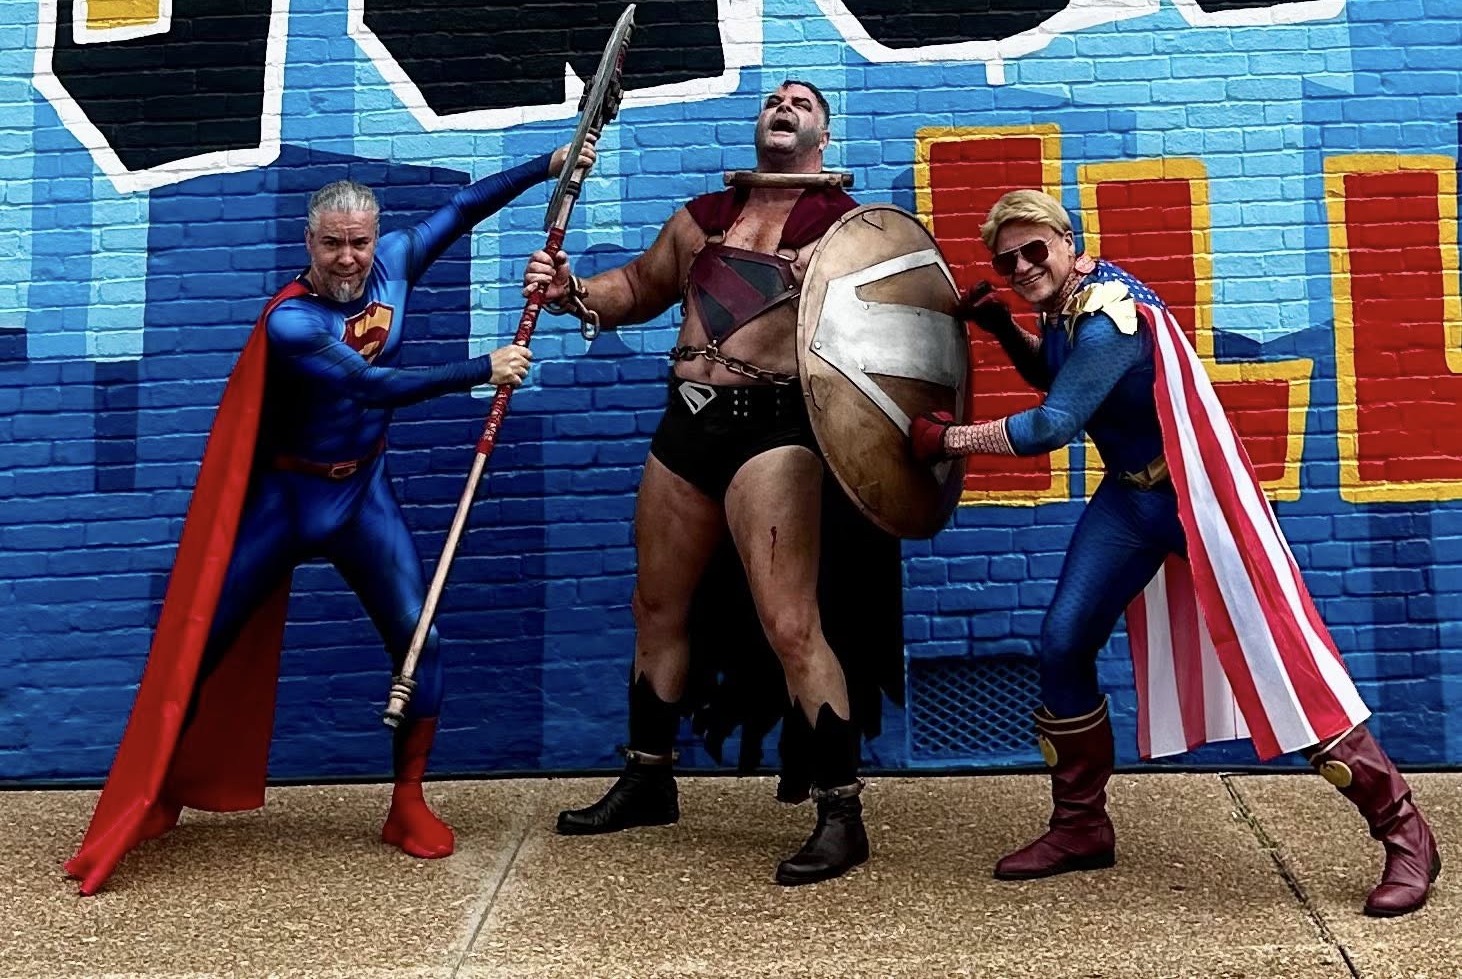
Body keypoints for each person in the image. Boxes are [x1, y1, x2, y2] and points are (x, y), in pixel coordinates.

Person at [65, 141, 593, 896]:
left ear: (375, 239)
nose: (348, 258)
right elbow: (368, 386)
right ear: (308, 243)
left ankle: (406, 803)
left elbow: (466, 207)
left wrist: (547, 165)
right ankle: (159, 791)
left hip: (360, 495)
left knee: (422, 638)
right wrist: (483, 368)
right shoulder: (291, 324)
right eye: (333, 243)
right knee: (199, 644)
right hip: (288, 499)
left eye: (359, 242)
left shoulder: (398, 261)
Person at [909, 189, 1441, 917]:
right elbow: (1059, 380)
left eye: (1037, 250)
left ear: (1070, 243)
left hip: (1194, 502)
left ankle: (1405, 833)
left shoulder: (1108, 315)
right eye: (1008, 261)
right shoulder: (1064, 303)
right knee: (1062, 643)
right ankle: (1081, 826)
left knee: (1279, 660)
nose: (1025, 265)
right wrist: (1005, 326)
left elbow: (1054, 423)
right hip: (1132, 499)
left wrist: (948, 440)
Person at [524, 81, 901, 886]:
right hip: (685, 425)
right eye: (776, 98)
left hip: (775, 432)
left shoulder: (847, 233)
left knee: (791, 622)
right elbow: (637, 289)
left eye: (803, 102)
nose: (785, 105)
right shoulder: (706, 220)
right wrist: (572, 294)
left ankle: (842, 812)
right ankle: (649, 776)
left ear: (823, 136)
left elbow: (897, 340)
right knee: (656, 607)